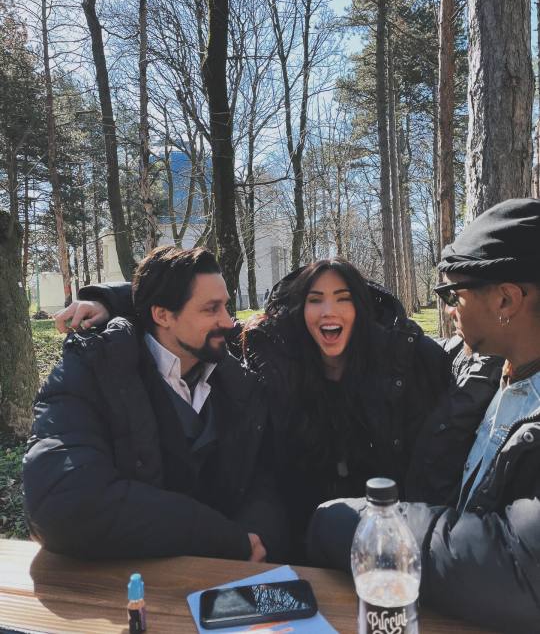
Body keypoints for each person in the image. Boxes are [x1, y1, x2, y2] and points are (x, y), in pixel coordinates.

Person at [56, 259, 498, 562]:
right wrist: (110, 301)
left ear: (361, 308)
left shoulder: (405, 359)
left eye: (343, 297)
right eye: (315, 298)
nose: (329, 310)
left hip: (392, 547)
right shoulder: (268, 354)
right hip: (299, 548)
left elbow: (463, 370)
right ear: (300, 309)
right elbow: (182, 312)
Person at [307, 198, 540, 632]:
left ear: (506, 300)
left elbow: (518, 564)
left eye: (453, 295)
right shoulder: (487, 367)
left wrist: (367, 527)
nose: (448, 310)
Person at [24, 246, 288, 562]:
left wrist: (256, 538)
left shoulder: (236, 380)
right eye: (211, 309)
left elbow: (261, 476)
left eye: (226, 306)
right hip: (126, 580)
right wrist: (225, 540)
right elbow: (61, 504)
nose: (228, 322)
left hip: (231, 573)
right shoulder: (90, 372)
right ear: (162, 315)